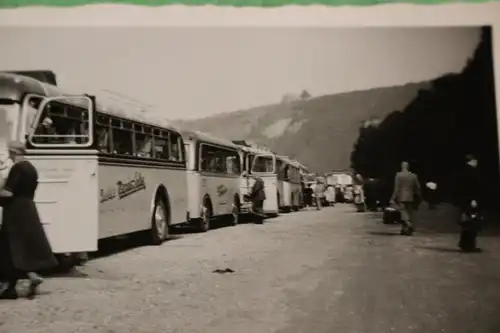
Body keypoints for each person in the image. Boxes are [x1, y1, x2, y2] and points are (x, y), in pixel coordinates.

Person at [0, 141, 58, 300]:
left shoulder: (17, 168)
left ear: (14, 152)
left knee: (10, 248)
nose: (9, 155)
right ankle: (28, 277)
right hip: (28, 208)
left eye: (10, 152)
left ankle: (11, 287)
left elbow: (9, 193)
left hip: (15, 211)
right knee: (20, 248)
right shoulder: (31, 169)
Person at [452, 154, 483, 252]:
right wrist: (473, 199)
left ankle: (464, 243)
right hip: (470, 200)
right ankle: (469, 245)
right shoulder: (472, 172)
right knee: (472, 223)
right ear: (472, 161)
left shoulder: (461, 171)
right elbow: (472, 187)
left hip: (463, 200)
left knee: (466, 222)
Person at [390, 161, 422, 236]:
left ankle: (408, 224)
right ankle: (405, 229)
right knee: (409, 212)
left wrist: (392, 198)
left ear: (402, 167)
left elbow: (397, 188)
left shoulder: (398, 175)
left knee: (403, 212)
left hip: (401, 196)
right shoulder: (414, 176)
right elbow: (418, 187)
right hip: (411, 196)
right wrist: (419, 195)